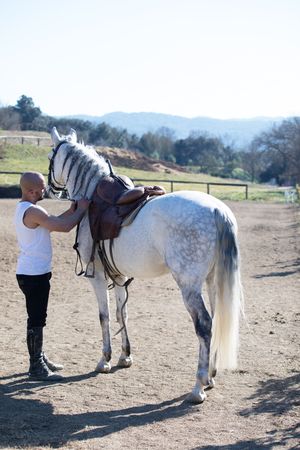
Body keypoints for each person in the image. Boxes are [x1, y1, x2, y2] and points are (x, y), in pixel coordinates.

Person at [14, 171, 90, 381]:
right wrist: (82, 209)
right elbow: (64, 227)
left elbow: (55, 221)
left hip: (32, 272)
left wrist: (72, 209)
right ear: (30, 191)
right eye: (41, 187)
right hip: (34, 274)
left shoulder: (28, 209)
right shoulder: (32, 211)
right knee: (37, 319)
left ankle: (38, 357)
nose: (44, 190)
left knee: (38, 318)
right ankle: (36, 366)